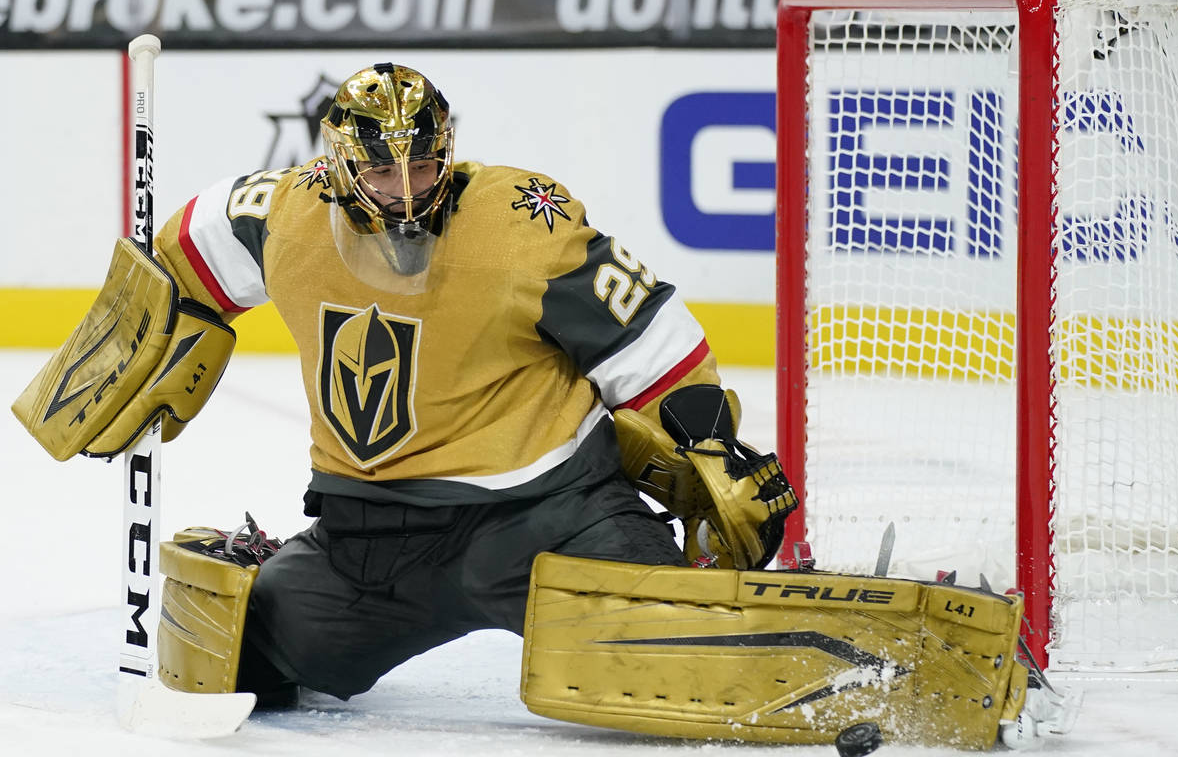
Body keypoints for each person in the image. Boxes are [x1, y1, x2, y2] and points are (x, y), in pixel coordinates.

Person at [126, 63, 792, 704]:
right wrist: (137, 334)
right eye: (382, 170)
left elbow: (647, 336)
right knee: (237, 661)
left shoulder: (520, 221)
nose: (408, 191)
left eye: (422, 164)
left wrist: (708, 446)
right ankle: (278, 572)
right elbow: (187, 253)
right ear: (337, 167)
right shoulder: (280, 213)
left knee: (686, 665)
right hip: (369, 543)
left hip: (552, 518)